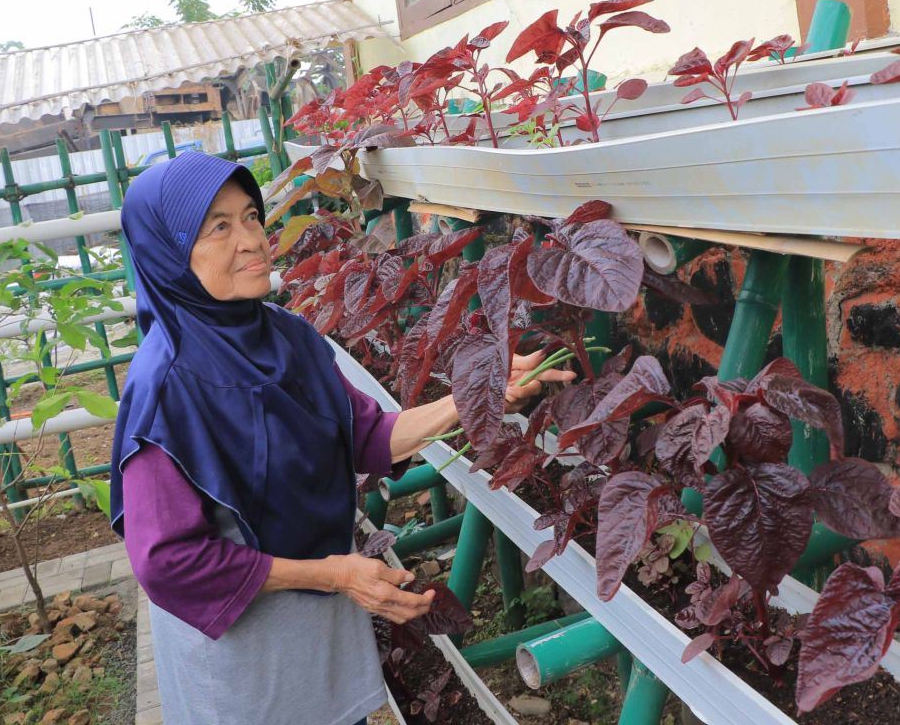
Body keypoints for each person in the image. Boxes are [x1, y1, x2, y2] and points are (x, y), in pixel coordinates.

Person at [110, 151, 573, 724]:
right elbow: (168, 561)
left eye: (252, 215)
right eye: (220, 226)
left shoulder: (286, 336)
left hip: (321, 615)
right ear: (168, 251)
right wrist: (332, 573)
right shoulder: (167, 385)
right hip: (240, 646)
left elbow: (370, 436)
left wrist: (481, 392)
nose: (253, 239)